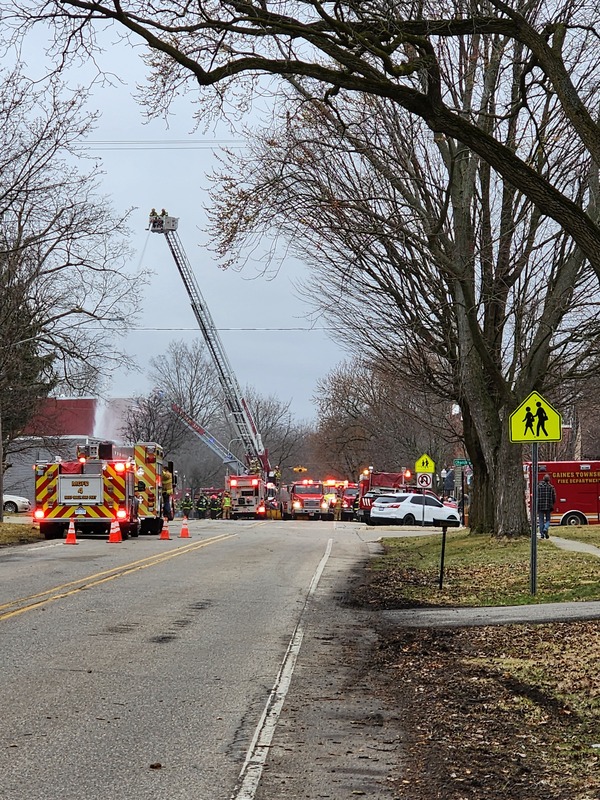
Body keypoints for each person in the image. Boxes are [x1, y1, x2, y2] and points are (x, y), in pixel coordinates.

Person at [537, 474, 556, 539]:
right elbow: (554, 497)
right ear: (549, 480)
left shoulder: (538, 487)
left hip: (540, 506)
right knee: (548, 520)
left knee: (541, 520)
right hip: (548, 506)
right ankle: (545, 528)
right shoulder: (551, 487)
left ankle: (542, 534)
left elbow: (536, 496)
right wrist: (552, 503)